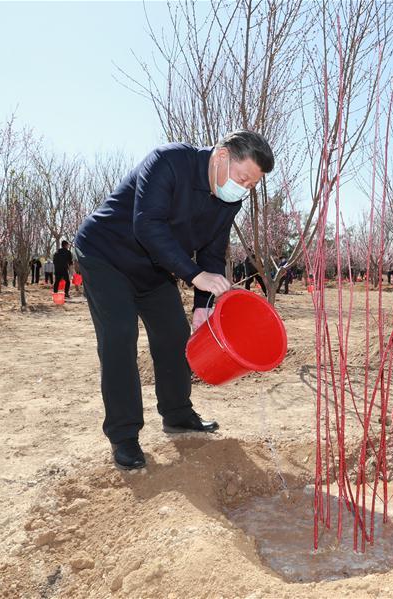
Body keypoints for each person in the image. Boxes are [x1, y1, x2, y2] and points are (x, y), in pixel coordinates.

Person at [74, 130, 274, 470]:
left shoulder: (229, 201)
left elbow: (212, 252)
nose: (243, 189)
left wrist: (202, 305)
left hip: (154, 268)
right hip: (106, 255)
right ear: (222, 157)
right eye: (242, 178)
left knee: (174, 337)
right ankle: (124, 437)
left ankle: (178, 415)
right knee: (120, 335)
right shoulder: (167, 162)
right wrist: (194, 276)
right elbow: (147, 225)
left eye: (251, 186)